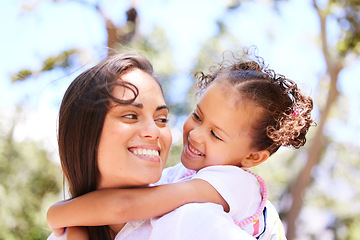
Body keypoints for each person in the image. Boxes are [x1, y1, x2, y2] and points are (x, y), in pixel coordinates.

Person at [47, 51, 264, 240]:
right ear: (85, 131)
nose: (154, 132)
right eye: (131, 115)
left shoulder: (194, 220)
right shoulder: (176, 179)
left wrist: (59, 213)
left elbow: (122, 207)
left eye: (161, 119)